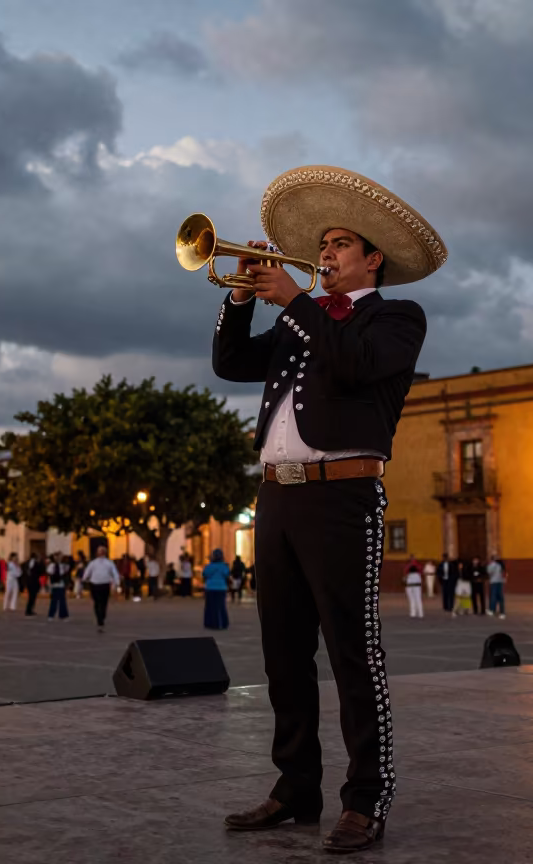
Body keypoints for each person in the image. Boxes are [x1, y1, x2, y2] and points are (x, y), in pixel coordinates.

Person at [216, 165, 446, 852]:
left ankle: (366, 798)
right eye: (321, 244)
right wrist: (239, 296)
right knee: (282, 653)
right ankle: (295, 788)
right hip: (277, 498)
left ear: (371, 255)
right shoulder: (299, 321)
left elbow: (350, 364)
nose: (325, 255)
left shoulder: (396, 318)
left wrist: (295, 302)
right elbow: (230, 363)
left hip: (344, 496)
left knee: (353, 652)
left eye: (340, 243)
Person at [80, 546, 121, 632]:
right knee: (98, 602)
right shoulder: (93, 563)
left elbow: (114, 572)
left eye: (102, 551)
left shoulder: (109, 563)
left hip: (104, 584)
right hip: (95, 584)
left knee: (103, 602)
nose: (101, 553)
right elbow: (88, 571)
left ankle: (101, 616)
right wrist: (84, 579)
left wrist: (117, 582)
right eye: (100, 551)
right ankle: (99, 618)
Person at [202, 549, 231, 630]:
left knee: (210, 606)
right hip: (221, 588)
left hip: (210, 588)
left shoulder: (209, 566)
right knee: (221, 606)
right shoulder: (224, 566)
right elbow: (227, 574)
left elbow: (204, 574)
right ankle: (223, 623)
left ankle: (211, 623)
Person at [47, 554, 68, 621]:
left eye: (59, 557)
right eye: (56, 557)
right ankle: (51, 615)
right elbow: (49, 573)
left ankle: (63, 615)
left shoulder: (63, 565)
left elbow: (65, 572)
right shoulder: (51, 565)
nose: (58, 558)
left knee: (62, 601)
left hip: (61, 584)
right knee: (54, 601)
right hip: (54, 585)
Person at [486, 554, 506, 619]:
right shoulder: (501, 565)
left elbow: (489, 572)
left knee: (493, 596)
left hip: (494, 582)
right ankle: (501, 612)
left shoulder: (493, 565)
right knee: (500, 597)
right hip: (499, 582)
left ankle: (493, 610)